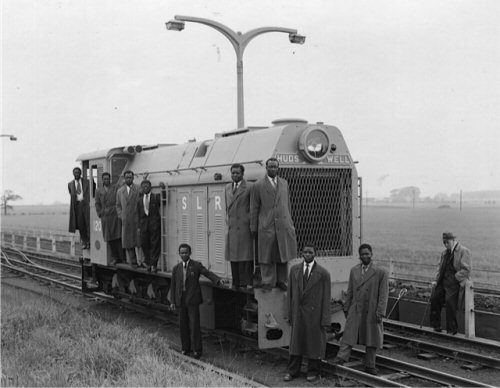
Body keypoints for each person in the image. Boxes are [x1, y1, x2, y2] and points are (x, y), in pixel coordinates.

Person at [333, 243, 389, 375]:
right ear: (359, 256)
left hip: (372, 310)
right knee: (348, 334)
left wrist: (380, 312)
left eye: (367, 254)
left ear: (371, 255)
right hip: (356, 308)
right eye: (362, 254)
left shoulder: (381, 272)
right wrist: (347, 307)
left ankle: (370, 365)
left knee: (372, 338)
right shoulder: (354, 270)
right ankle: (341, 358)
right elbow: (350, 291)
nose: (365, 256)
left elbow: (383, 295)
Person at [284, 244, 331, 383]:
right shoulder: (294, 270)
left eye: (310, 252)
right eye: (305, 252)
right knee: (296, 343)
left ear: (315, 254)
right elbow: (290, 294)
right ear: (301, 253)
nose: (308, 254)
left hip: (314, 315)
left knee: (314, 344)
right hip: (298, 313)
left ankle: (313, 371)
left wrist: (325, 319)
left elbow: (326, 298)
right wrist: (290, 314)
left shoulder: (323, 274)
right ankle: (292, 371)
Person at [250, 157, 297, 291]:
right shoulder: (258, 185)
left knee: (283, 253)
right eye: (270, 167)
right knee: (267, 255)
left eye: (275, 167)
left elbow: (287, 205)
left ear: (278, 168)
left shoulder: (284, 183)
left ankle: (281, 281)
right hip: (267, 225)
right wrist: (253, 226)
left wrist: (290, 223)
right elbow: (254, 207)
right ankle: (267, 281)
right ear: (266, 168)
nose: (273, 169)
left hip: (283, 225)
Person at [170, 243, 224, 359]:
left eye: (186, 252)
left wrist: (217, 280)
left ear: (190, 253)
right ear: (179, 254)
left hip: (192, 300)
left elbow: (207, 273)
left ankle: (197, 350)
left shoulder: (196, 266)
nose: (184, 254)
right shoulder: (176, 269)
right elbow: (173, 286)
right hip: (181, 300)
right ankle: (185, 348)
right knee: (182, 325)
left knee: (194, 325)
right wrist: (172, 302)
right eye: (182, 253)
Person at [430, 232, 471, 335]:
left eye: (447, 242)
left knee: (450, 302)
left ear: (453, 240)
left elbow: (466, 270)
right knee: (434, 298)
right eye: (444, 242)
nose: (445, 244)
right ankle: (436, 326)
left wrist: (456, 277)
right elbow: (440, 268)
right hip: (443, 282)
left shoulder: (463, 251)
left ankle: (452, 330)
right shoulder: (444, 253)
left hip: (454, 284)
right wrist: (436, 280)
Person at [225, 163, 254, 288]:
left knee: (245, 256)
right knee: (234, 256)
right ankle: (236, 281)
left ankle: (245, 282)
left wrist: (251, 224)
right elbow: (227, 207)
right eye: (233, 173)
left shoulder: (249, 187)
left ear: (242, 174)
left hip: (244, 226)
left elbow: (253, 207)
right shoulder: (227, 188)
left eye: (237, 173)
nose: (235, 175)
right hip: (232, 227)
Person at [95, 172, 123, 265]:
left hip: (114, 215)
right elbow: (97, 203)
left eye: (108, 178)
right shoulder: (99, 190)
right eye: (105, 179)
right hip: (106, 217)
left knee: (118, 237)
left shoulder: (115, 187)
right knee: (110, 238)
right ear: (102, 180)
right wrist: (100, 213)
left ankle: (121, 258)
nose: (106, 180)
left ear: (110, 179)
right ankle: (114, 257)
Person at [116, 170, 140, 267]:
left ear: (133, 178)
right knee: (128, 241)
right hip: (126, 220)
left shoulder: (137, 189)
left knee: (137, 240)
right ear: (124, 179)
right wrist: (121, 216)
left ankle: (140, 261)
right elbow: (117, 205)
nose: (129, 179)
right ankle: (133, 261)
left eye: (130, 177)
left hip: (136, 219)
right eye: (127, 178)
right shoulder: (120, 191)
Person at [137, 179, 162, 272]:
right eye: (143, 186)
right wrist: (139, 227)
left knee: (155, 244)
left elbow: (164, 199)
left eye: (147, 186)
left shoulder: (155, 197)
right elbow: (138, 214)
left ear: (150, 187)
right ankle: (148, 263)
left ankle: (154, 264)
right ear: (141, 188)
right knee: (144, 244)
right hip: (144, 225)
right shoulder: (139, 200)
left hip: (154, 224)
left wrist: (162, 188)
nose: (145, 188)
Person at [68, 167, 90, 249]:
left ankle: (89, 241)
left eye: (78, 172)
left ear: (80, 173)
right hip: (78, 206)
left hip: (86, 205)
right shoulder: (70, 184)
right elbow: (72, 195)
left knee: (88, 223)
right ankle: (84, 242)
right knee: (81, 225)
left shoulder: (87, 182)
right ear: (73, 174)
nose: (76, 174)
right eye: (75, 172)